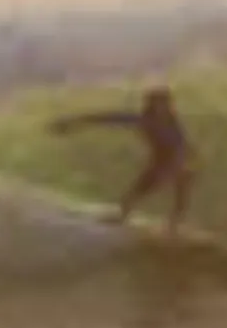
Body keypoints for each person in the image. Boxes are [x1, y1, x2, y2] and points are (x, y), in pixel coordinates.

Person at [51, 86, 198, 234]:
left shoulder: (172, 122)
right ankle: (128, 217)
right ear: (151, 106)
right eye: (158, 104)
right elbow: (109, 118)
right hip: (164, 163)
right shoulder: (146, 120)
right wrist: (75, 123)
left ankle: (173, 226)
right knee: (136, 194)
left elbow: (182, 145)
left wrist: (184, 161)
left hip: (179, 163)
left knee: (181, 185)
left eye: (164, 104)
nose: (162, 108)